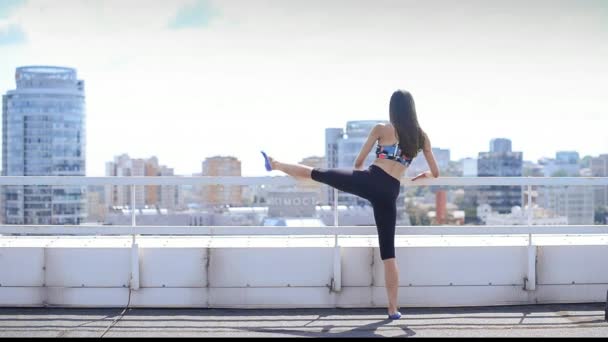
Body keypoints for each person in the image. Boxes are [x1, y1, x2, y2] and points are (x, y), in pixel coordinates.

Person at [261, 90, 439, 319]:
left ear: (392, 108)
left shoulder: (381, 129)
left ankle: (275, 164)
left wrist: (357, 180)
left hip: (371, 180)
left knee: (318, 173)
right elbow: (435, 172)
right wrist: (419, 176)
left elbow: (358, 162)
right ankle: (393, 309)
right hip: (391, 191)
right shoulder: (421, 137)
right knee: (388, 252)